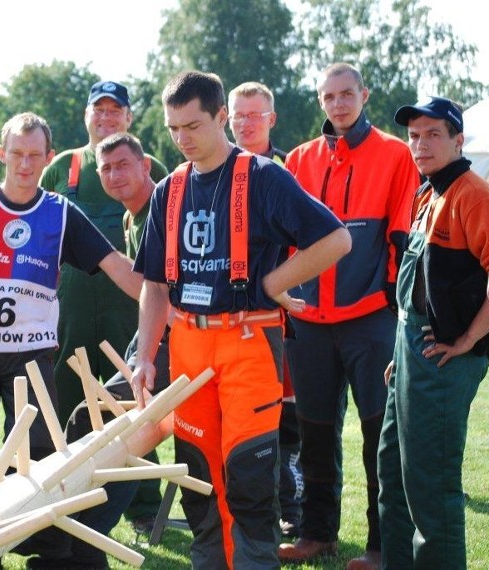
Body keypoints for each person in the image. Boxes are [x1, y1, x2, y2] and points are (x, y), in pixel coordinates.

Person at [131, 70, 351, 569]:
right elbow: (153, 284)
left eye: (193, 126)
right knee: (199, 477)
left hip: (250, 341)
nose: (182, 139)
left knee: (250, 479)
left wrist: (272, 284)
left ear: (221, 117)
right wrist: (145, 356)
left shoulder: (263, 176)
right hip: (187, 346)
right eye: (173, 129)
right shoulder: (168, 189)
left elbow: (337, 239)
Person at [0, 113, 142, 512]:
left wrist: (172, 308)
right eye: (16, 154)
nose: (24, 164)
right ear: (2, 153)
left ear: (48, 158)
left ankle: (36, 547)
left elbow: (117, 266)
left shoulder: (60, 212)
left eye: (34, 155)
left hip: (31, 359)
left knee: (36, 461)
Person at [278, 63, 421, 570]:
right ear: (320, 101)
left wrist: (390, 298)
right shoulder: (298, 159)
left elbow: (401, 230)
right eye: (328, 96)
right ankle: (318, 533)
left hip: (370, 317)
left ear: (364, 94)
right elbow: (283, 235)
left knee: (381, 435)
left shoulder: (396, 154)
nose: (338, 104)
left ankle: (384, 544)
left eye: (346, 94)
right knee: (315, 431)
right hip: (309, 321)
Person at [36, 132, 170, 570]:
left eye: (123, 165)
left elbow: (168, 291)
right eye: (106, 168)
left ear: (145, 165)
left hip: (176, 340)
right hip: (148, 339)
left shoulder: (162, 210)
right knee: (95, 423)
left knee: (115, 429)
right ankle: (78, 542)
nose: (114, 175)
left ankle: (83, 548)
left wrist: (154, 348)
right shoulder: (135, 219)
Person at [377, 96, 489, 569]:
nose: (421, 144)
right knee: (392, 474)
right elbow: (417, 287)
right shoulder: (428, 191)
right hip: (410, 351)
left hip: (444, 360)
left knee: (430, 485)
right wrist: (400, 353)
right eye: (414, 135)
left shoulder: (473, 194)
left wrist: (469, 342)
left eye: (433, 134)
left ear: (458, 140)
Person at [39, 80, 169, 428]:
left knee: (130, 403)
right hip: (71, 307)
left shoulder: (151, 166)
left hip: (130, 305)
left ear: (128, 117)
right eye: (99, 109)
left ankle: (138, 483)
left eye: (115, 111)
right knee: (66, 400)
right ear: (86, 116)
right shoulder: (62, 167)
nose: (106, 117)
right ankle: (64, 480)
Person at [228, 81, 304, 538]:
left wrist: (278, 285)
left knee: (286, 416)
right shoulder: (214, 168)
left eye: (255, 114)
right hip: (227, 321)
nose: (246, 123)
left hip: (283, 314)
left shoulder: (287, 170)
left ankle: (292, 506)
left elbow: (315, 237)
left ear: (271, 119)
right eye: (238, 115)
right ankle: (246, 508)